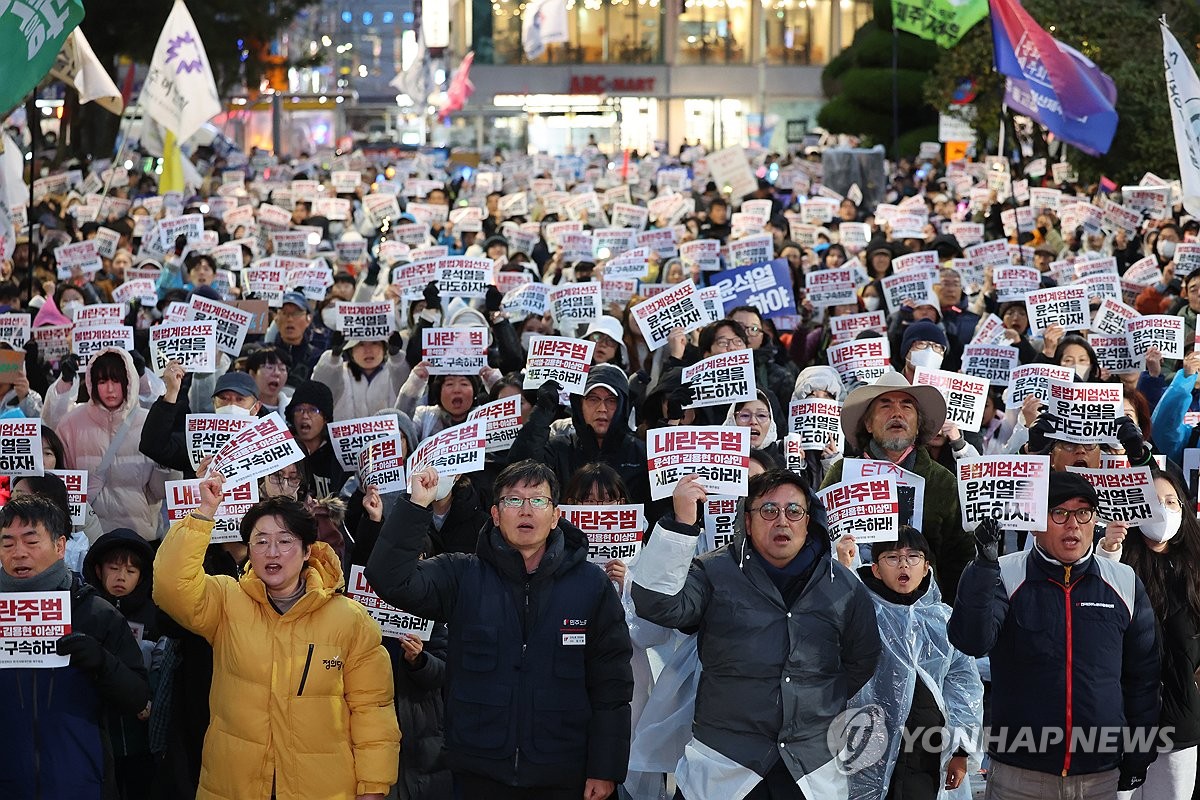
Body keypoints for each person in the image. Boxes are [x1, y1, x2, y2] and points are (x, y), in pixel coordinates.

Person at [365, 460, 634, 799]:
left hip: (564, 773)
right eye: (513, 500)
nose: (526, 510)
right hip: (478, 772)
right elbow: (390, 579)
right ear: (494, 514)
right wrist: (417, 505)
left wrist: (605, 769)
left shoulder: (591, 585)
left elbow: (612, 684)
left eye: (538, 500)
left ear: (555, 516)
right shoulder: (462, 575)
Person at [632, 469, 882, 799]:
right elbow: (657, 605)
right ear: (746, 521)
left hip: (810, 768)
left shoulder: (844, 586)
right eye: (768, 510)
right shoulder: (713, 572)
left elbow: (861, 659)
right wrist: (681, 523)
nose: (782, 521)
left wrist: (814, 698)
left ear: (809, 522)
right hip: (725, 765)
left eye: (794, 511)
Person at [153, 475, 400, 800]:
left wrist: (373, 786)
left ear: (306, 549)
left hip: (323, 789)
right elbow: (172, 586)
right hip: (234, 786)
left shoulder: (349, 619)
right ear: (249, 550)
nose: (273, 552)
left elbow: (372, 708)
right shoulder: (228, 601)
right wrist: (204, 513)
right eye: (261, 541)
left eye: (285, 541)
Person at [948, 472, 1161, 797]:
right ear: (1034, 523)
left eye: (1083, 513)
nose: (1072, 524)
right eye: (1059, 513)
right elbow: (971, 640)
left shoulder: (1124, 581)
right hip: (1019, 774)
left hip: (1098, 775)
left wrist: (1138, 756)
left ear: (1094, 521)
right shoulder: (1003, 573)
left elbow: (1143, 678)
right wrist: (982, 567)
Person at [0, 495, 151, 799]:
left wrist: (102, 662)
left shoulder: (96, 613)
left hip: (81, 780)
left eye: (31, 542)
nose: (18, 553)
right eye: (7, 543)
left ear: (60, 546)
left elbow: (139, 700)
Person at [844, 527, 983, 800]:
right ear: (875, 569)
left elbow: (964, 687)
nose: (904, 564)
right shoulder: (860, 613)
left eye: (913, 556)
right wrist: (844, 569)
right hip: (869, 751)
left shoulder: (944, 620)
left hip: (927, 755)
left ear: (926, 567)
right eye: (893, 557)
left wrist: (961, 749)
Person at [822, 372, 973, 600]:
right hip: (851, 605)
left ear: (917, 425)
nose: (897, 413)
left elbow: (959, 561)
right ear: (868, 424)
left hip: (923, 613)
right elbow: (817, 540)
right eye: (885, 406)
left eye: (906, 406)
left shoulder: (943, 482)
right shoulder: (841, 474)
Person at [1096, 470, 1200, 800]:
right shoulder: (1117, 559)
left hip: (1180, 720)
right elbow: (1096, 608)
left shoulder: (1195, 566)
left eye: (1171, 502)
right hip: (1120, 721)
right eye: (1153, 502)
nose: (1163, 510)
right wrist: (1109, 547)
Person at [45, 348, 170, 537]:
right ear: (92, 383)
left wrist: (166, 464)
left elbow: (160, 491)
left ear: (129, 381)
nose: (110, 389)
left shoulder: (149, 423)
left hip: (139, 536)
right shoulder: (70, 424)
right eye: (102, 381)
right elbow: (61, 485)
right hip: (88, 538)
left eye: (116, 380)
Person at [509, 364, 652, 507]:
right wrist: (541, 412)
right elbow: (518, 474)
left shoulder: (641, 453)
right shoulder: (559, 449)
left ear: (622, 406)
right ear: (579, 404)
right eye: (593, 399)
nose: (602, 409)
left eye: (611, 400)